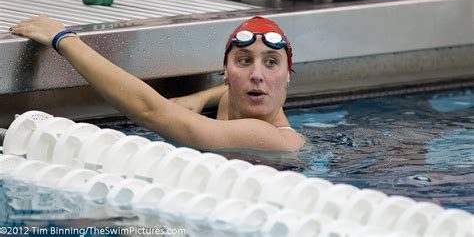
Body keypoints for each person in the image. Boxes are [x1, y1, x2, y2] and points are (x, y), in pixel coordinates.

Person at [11, 15, 305, 151]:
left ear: (288, 76)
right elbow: (235, 91)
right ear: (225, 73)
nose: (257, 75)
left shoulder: (269, 136)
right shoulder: (245, 98)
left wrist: (65, 40)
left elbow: (150, 111)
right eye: (244, 60)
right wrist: (200, 98)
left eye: (271, 63)